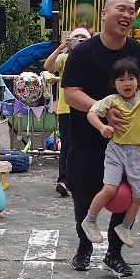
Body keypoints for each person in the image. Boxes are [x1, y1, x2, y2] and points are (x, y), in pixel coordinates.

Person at [61, 0, 140, 277]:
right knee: (84, 194)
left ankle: (114, 254)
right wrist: (103, 111)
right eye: (121, 9)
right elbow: (71, 93)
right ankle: (84, 247)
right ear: (104, 14)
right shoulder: (83, 53)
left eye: (132, 11)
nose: (127, 15)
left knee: (127, 195)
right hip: (87, 140)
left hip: (128, 143)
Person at [81, 58, 140, 246]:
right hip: (116, 151)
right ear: (114, 83)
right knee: (109, 189)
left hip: (137, 152)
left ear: (137, 81)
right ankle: (89, 220)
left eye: (131, 78)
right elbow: (91, 113)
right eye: (121, 79)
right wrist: (102, 127)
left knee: (138, 195)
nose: (127, 83)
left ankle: (125, 226)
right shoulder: (111, 100)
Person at [46, 25, 91, 196]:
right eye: (76, 38)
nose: (79, 40)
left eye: (83, 38)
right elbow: (48, 66)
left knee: (85, 145)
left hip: (87, 107)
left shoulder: (91, 58)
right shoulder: (64, 58)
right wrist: (60, 47)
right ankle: (63, 180)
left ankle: (81, 180)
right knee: (66, 145)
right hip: (66, 108)